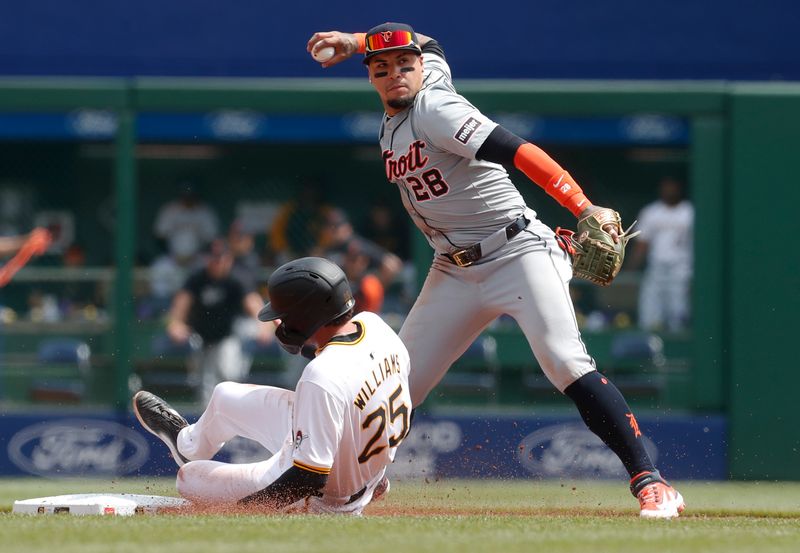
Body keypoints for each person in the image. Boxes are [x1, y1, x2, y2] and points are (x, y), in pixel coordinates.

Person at [306, 23, 685, 518]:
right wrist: (357, 41)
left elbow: (518, 151)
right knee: (397, 384)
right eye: (382, 68)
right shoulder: (405, 102)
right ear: (372, 79)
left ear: (420, 69)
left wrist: (581, 204)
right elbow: (430, 41)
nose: (396, 73)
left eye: (405, 64)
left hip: (516, 252)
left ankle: (652, 482)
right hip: (454, 270)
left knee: (564, 364)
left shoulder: (437, 107)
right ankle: (365, 479)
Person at [133, 257, 411, 514]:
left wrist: (244, 512)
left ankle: (356, 487)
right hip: (359, 456)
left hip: (325, 495)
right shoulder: (375, 326)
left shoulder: (321, 376)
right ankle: (188, 445)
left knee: (188, 479)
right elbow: (349, 371)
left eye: (287, 315)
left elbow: (309, 477)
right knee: (224, 396)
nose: (281, 322)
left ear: (307, 315)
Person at [166, 239, 273, 403]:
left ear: (228, 258)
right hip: (199, 336)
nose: (217, 262)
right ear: (206, 258)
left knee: (228, 375)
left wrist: (264, 328)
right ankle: (206, 418)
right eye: (213, 257)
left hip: (227, 335)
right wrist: (175, 324)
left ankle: (233, 412)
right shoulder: (197, 278)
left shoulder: (237, 278)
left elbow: (254, 305)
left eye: (221, 257)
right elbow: (180, 306)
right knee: (201, 383)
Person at [628, 177, 694, 332]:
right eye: (666, 187)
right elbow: (642, 244)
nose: (669, 190)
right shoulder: (651, 212)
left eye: (672, 187)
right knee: (649, 314)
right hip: (656, 269)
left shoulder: (690, 212)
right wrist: (630, 269)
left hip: (682, 270)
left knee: (678, 315)